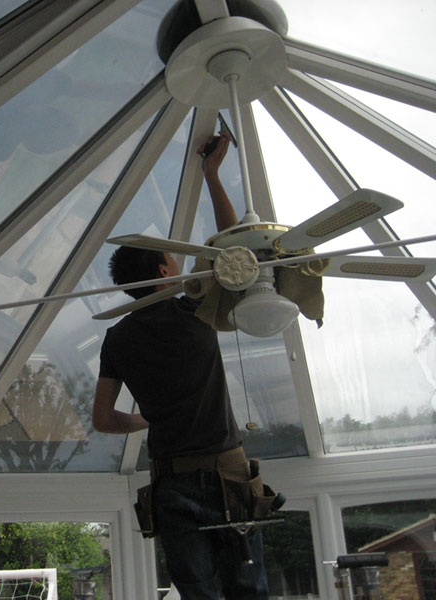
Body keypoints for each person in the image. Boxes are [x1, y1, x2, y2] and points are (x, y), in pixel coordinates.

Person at [92, 131, 271, 599]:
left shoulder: (118, 338)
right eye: (173, 260)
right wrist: (211, 174)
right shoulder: (193, 307)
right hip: (228, 474)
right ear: (165, 272)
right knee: (249, 590)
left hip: (171, 480)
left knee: (199, 594)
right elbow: (237, 261)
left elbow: (103, 419)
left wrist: (146, 417)